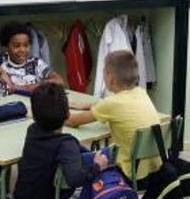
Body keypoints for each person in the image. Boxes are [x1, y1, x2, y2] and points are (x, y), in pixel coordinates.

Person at [13, 83, 108, 199]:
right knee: (88, 185)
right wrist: (98, 166)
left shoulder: (32, 131)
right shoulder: (66, 144)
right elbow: (75, 179)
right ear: (67, 114)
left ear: (34, 115)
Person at [65, 50, 162, 182]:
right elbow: (117, 106)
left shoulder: (112, 104)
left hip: (129, 172)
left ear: (110, 78)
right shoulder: (141, 93)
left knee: (88, 156)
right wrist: (91, 105)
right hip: (154, 168)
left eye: (104, 71)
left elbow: (72, 121)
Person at [0, 22, 65, 99]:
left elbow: (59, 81)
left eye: (26, 45)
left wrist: (27, 88)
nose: (22, 50)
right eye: (16, 46)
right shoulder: (0, 60)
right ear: (6, 47)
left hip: (27, 109)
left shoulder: (36, 64)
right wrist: (0, 71)